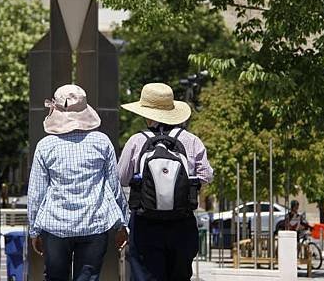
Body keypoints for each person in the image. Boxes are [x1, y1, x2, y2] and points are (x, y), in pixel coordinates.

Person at [27, 84, 129, 281]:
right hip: (94, 223)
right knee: (88, 277)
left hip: (54, 224)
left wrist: (34, 230)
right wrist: (122, 224)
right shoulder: (101, 141)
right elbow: (114, 186)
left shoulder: (45, 146)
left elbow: (36, 193)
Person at [117, 83, 214, 281]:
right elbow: (206, 175)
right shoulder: (190, 140)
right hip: (181, 222)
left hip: (145, 223)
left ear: (146, 114)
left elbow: (122, 177)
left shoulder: (136, 141)